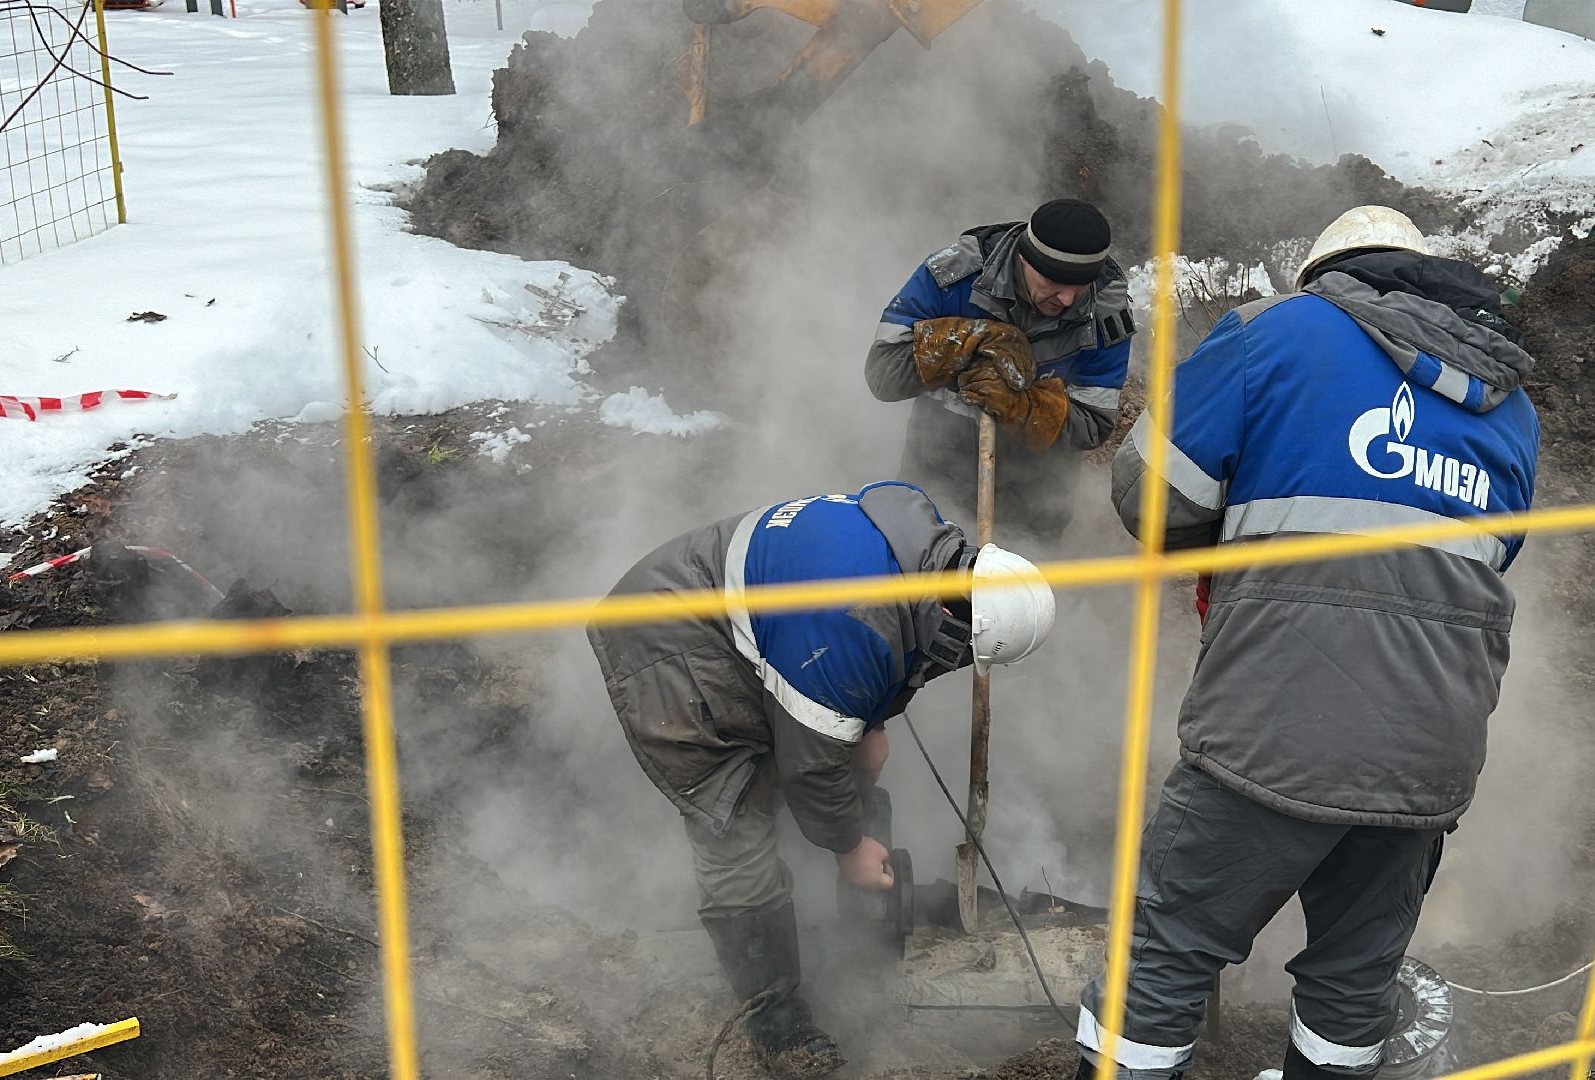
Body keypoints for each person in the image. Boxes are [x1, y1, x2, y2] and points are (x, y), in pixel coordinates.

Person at [1074, 207, 1540, 1080]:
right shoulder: (1512, 408)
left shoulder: (1274, 333)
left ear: (1329, 277)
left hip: (1277, 725)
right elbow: (1478, 570)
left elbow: (1151, 501)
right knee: (1355, 983)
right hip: (1431, 756)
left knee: (1165, 953)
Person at [588, 480, 1056, 1076]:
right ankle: (775, 1018)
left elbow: (871, 668)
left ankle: (858, 947)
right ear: (955, 616)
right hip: (666, 639)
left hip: (751, 626)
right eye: (965, 653)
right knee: (737, 819)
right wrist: (850, 847)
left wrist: (873, 719)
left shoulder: (924, 547)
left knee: (844, 756)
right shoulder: (855, 625)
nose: (960, 663)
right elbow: (810, 768)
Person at [866, 198, 1136, 540]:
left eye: (1079, 286)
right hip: (935, 484)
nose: (1067, 299)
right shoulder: (955, 276)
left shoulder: (1105, 312)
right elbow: (882, 374)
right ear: (1025, 258)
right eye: (1054, 280)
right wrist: (963, 341)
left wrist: (1022, 407)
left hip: (1036, 506)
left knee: (1021, 593)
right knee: (924, 587)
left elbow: (1094, 423)